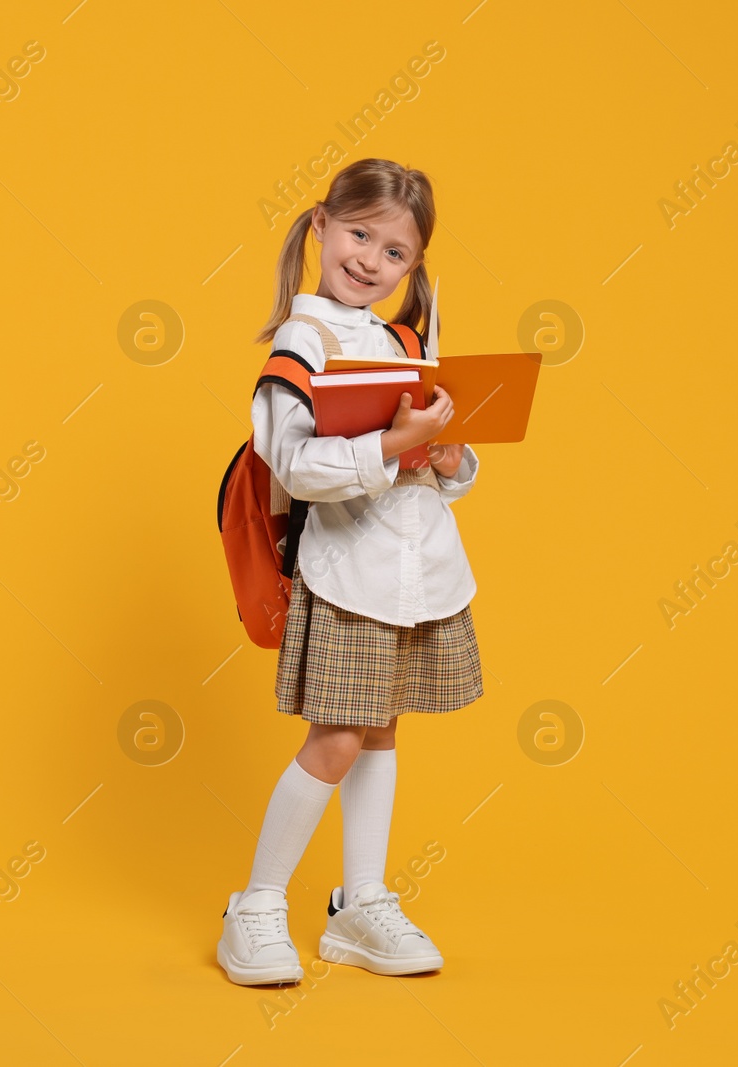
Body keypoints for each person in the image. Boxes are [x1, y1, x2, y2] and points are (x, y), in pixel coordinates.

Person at [217, 158, 485, 986]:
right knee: (335, 738)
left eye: (394, 252)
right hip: (347, 576)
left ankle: (360, 905)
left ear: (414, 268)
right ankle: (255, 907)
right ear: (321, 226)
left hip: (417, 569)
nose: (371, 260)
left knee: (380, 730)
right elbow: (295, 468)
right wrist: (395, 446)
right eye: (360, 234)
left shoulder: (409, 340)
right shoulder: (304, 343)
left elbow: (453, 473)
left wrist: (447, 454)